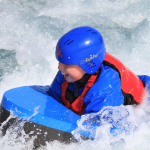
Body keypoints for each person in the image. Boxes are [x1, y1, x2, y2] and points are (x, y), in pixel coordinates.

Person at [48, 26, 145, 116]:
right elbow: (52, 98)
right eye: (60, 62)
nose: (59, 67)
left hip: (142, 107)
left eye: (66, 64)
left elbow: (102, 128)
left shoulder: (105, 89)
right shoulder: (67, 73)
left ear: (87, 64)